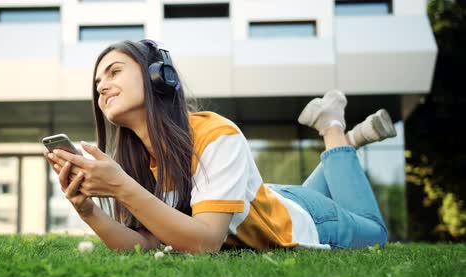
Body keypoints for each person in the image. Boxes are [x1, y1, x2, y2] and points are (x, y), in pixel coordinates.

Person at [44, 40, 396, 253]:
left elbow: (206, 241)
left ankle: (333, 127)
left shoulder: (215, 134)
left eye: (114, 72)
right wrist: (89, 211)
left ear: (158, 77)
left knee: (375, 232)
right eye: (98, 82)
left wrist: (121, 185)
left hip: (307, 218)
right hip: (263, 199)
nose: (102, 86)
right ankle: (351, 142)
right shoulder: (135, 160)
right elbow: (147, 243)